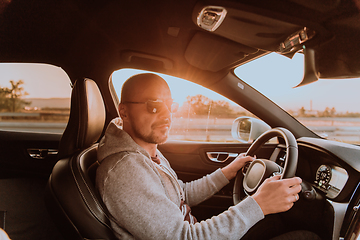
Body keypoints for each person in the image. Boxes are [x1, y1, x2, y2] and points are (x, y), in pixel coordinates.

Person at [95, 73, 311, 239]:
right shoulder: (125, 170)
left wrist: (226, 172)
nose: (167, 116)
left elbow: (181, 195)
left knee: (281, 225)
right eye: (154, 107)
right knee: (306, 237)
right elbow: (184, 237)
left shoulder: (146, 151)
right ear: (123, 111)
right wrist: (259, 204)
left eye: (170, 106)